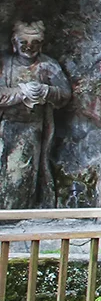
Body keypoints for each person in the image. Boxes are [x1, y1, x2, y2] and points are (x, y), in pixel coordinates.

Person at [0, 18, 70, 208]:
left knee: (20, 173)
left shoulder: (47, 65)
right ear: (14, 43)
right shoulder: (4, 63)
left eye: (35, 43)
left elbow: (65, 94)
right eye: (24, 42)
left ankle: (16, 213)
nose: (29, 47)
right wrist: (20, 92)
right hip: (4, 125)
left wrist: (47, 91)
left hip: (30, 128)